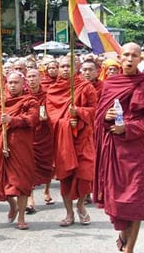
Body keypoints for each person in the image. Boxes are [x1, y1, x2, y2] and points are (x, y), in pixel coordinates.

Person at [94, 43, 144, 253]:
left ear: (140, 58)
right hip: (113, 148)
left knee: (133, 198)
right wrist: (105, 117)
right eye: (126, 55)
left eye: (134, 55)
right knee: (116, 198)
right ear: (119, 57)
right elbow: (98, 117)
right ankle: (123, 233)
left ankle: (129, 249)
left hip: (134, 149)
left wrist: (129, 128)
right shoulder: (109, 84)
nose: (130, 59)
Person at [46, 55, 97, 227]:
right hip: (63, 141)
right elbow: (51, 117)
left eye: (69, 66)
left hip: (82, 138)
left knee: (84, 175)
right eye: (62, 66)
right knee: (65, 177)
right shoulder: (53, 90)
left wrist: (79, 112)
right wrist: (67, 123)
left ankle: (81, 205)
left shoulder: (85, 87)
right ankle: (69, 213)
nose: (66, 69)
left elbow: (95, 110)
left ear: (76, 68)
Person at [0, 72, 39, 230]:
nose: (12, 85)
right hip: (3, 148)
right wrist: (0, 146)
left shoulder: (30, 101)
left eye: (16, 82)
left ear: (22, 84)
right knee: (1, 185)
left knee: (22, 184)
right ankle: (13, 205)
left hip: (22, 148)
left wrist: (13, 120)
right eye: (10, 82)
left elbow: (33, 119)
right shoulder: (2, 102)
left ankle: (22, 217)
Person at [26, 69, 55, 211]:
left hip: (44, 134)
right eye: (29, 77)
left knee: (46, 164)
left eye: (34, 76)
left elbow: (54, 111)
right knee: (29, 165)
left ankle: (47, 190)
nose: (32, 79)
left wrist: (47, 117)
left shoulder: (47, 95)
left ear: (40, 78)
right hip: (29, 134)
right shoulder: (23, 95)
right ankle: (30, 198)